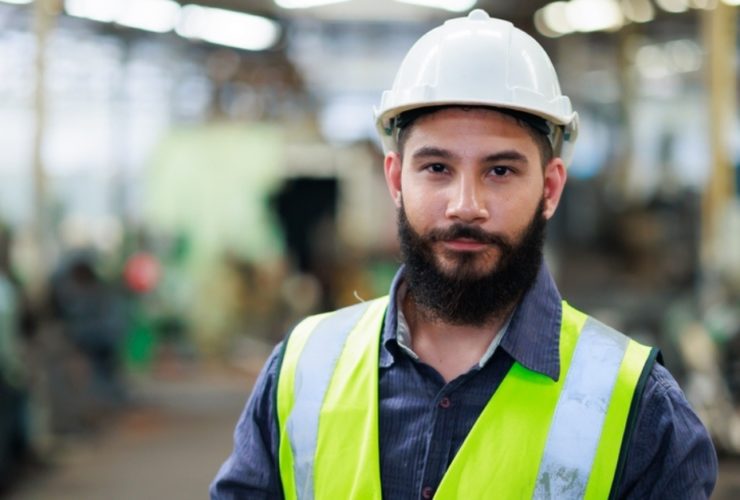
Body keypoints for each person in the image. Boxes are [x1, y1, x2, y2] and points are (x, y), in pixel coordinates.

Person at [211, 10, 717, 499]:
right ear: (395, 179)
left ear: (550, 188)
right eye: (436, 168)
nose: (465, 206)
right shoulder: (301, 372)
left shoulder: (639, 409)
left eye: (500, 171)